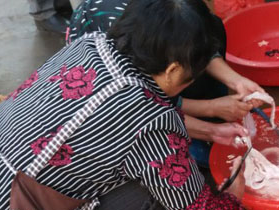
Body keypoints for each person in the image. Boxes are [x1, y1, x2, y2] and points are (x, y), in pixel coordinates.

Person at [0, 0, 247, 210]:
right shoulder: (151, 124)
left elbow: (124, 111)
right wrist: (235, 194)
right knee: (159, 186)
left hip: (1, 181)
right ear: (173, 69)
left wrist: (210, 130)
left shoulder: (88, 45)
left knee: (157, 167)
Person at [67, 0, 264, 166]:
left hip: (150, 68)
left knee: (212, 25)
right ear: (172, 68)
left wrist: (236, 81)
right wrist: (210, 116)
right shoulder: (123, 58)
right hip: (113, 98)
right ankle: (187, 126)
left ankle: (199, 112)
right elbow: (145, 105)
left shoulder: (176, 16)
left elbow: (195, 39)